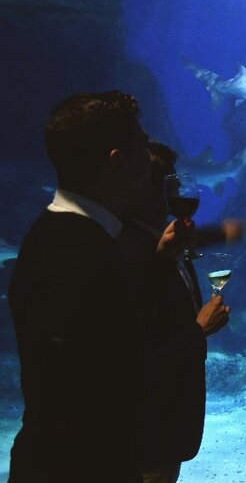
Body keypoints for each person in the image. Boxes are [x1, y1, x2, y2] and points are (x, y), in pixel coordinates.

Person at [7, 91, 160, 481]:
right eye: (144, 146)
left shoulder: (73, 235)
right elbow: (72, 399)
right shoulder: (73, 250)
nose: (153, 157)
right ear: (118, 162)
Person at [118, 141, 231, 483]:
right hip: (147, 430)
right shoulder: (127, 250)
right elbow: (131, 352)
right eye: (168, 183)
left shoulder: (162, 244)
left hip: (168, 425)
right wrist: (198, 330)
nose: (176, 191)